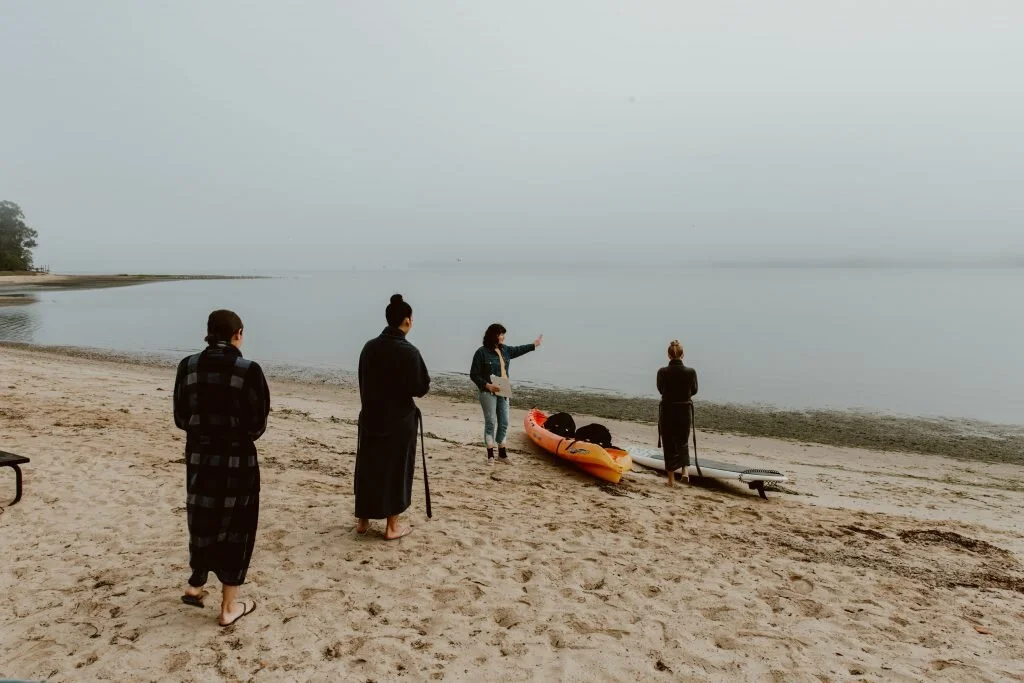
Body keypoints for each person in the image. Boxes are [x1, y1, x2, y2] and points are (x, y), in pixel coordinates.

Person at [173, 309, 269, 626]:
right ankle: (229, 608)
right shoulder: (248, 370)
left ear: (209, 333)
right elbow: (257, 425)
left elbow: (181, 418)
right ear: (237, 334)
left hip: (200, 456)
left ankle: (196, 582)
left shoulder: (187, 366)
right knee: (237, 529)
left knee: (203, 520)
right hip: (237, 460)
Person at [354, 294, 431, 540]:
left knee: (369, 468)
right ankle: (392, 526)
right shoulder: (409, 351)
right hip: (398, 420)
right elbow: (421, 387)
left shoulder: (369, 347)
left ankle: (363, 521)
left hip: (371, 416)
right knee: (397, 470)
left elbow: (363, 379)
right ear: (407, 321)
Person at [469, 324, 543, 465]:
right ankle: (490, 455)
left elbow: (519, 350)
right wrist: (487, 385)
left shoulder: (505, 350)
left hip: (504, 391)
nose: (503, 337)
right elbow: (474, 374)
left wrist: (534, 345)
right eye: (501, 334)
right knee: (491, 422)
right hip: (488, 392)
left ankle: (502, 454)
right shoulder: (481, 352)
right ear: (493, 336)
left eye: (503, 334)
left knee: (504, 422)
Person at [656, 339, 698, 487]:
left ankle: (671, 480)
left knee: (669, 442)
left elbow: (661, 389)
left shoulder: (662, 372)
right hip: (684, 410)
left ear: (668, 355)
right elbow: (694, 390)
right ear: (683, 355)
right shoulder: (691, 372)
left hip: (668, 410)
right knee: (683, 441)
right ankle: (685, 471)